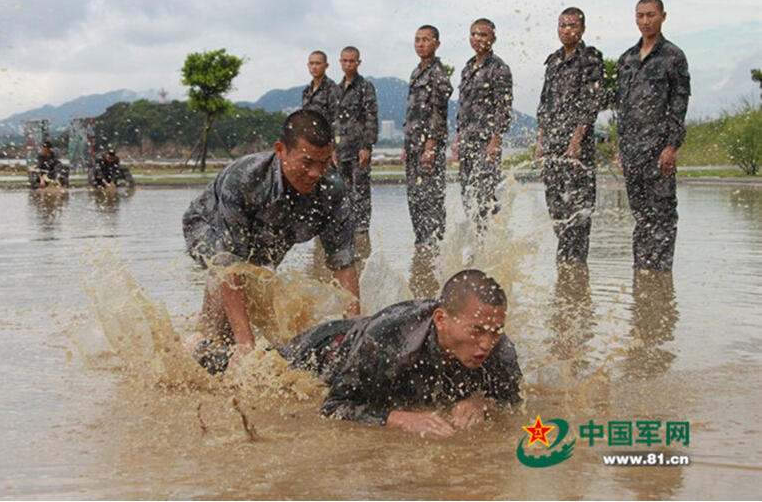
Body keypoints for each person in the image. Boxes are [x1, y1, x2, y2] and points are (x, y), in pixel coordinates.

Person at [182, 110, 361, 362]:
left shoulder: (332, 190)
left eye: (323, 163)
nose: (315, 173)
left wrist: (354, 332)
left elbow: (344, 264)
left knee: (259, 290)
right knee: (228, 329)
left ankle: (215, 334)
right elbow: (229, 264)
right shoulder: (244, 179)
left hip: (271, 230)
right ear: (280, 150)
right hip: (208, 224)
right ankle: (197, 343)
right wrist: (246, 346)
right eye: (306, 162)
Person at [275, 269, 521, 436]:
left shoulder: (500, 349)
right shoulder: (388, 339)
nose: (487, 344)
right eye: (476, 331)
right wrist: (401, 419)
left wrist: (482, 403)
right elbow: (333, 407)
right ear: (441, 319)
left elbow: (512, 401)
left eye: (496, 331)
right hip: (319, 352)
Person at [616, 0, 690, 270]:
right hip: (633, 152)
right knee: (641, 216)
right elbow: (621, 108)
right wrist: (620, 150)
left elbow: (679, 104)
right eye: (640, 16)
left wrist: (671, 147)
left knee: (662, 215)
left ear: (663, 17)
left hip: (659, 152)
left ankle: (661, 276)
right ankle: (643, 276)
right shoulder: (627, 59)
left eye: (650, 15)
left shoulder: (673, 56)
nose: (645, 21)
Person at [535, 7, 604, 264]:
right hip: (552, 145)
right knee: (556, 207)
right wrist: (540, 141)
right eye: (563, 25)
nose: (567, 30)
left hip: (576, 148)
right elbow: (545, 103)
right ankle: (565, 265)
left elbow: (590, 102)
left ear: (582, 29)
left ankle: (576, 266)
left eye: (573, 25)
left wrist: (576, 141)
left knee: (578, 209)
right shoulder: (553, 61)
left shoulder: (590, 58)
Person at [401, 25, 454, 296]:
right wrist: (405, 144)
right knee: (415, 198)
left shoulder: (437, 73)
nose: (420, 44)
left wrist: (431, 146)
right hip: (413, 147)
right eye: (417, 40)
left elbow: (437, 112)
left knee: (431, 197)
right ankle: (422, 245)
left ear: (437, 43)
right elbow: (412, 113)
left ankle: (433, 249)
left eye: (426, 40)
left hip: (428, 148)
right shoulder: (416, 72)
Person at [454, 18, 513, 233]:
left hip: (486, 143)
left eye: (483, 34)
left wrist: (495, 141)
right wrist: (458, 139)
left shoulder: (499, 68)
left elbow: (503, 108)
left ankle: (489, 243)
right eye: (474, 34)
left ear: (493, 38)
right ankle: (476, 242)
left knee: (485, 196)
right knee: (468, 196)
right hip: (467, 142)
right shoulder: (467, 68)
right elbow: (463, 108)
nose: (478, 38)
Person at [335, 46, 378, 262]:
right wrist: (332, 149)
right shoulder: (337, 89)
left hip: (358, 149)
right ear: (340, 62)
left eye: (352, 61)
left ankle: (362, 230)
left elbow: (371, 117)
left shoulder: (365, 87)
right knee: (342, 190)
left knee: (360, 189)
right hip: (340, 150)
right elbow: (334, 121)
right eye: (344, 61)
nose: (348, 64)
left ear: (358, 62)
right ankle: (346, 227)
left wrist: (366, 146)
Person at [302, 50, 341, 125]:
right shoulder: (306, 91)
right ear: (308, 65)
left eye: (318, 63)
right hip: (309, 133)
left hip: (326, 134)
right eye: (311, 63)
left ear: (326, 66)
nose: (314, 67)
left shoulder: (332, 89)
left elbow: (337, 118)